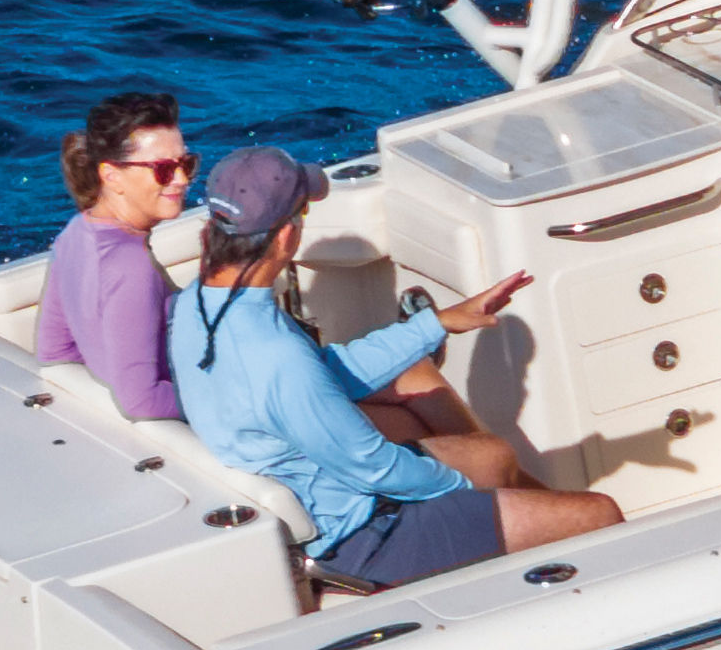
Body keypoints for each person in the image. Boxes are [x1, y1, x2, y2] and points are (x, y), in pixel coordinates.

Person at [168, 147, 621, 582]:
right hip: (362, 537)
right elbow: (373, 468)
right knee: (600, 513)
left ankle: (535, 546)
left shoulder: (198, 305)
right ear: (286, 236)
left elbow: (325, 371)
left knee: (494, 455)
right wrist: (465, 492)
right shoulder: (274, 354)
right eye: (302, 212)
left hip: (321, 495)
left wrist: (436, 323)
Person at [34, 89, 195, 420]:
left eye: (186, 164)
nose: (181, 180)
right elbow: (141, 402)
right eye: (163, 169)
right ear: (111, 175)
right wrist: (233, 400)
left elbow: (55, 349)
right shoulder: (131, 268)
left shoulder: (75, 233)